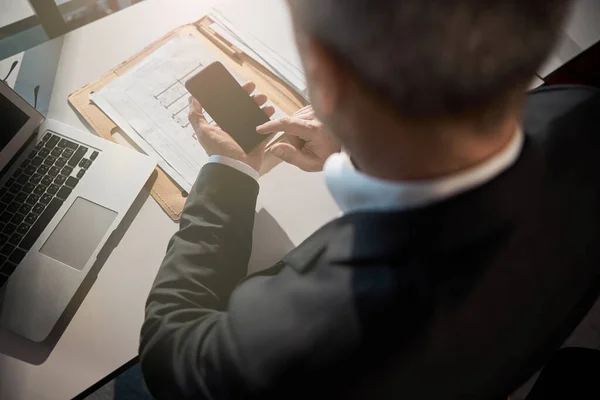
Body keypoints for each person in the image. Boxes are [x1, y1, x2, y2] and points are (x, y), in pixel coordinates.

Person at [139, 0, 600, 398]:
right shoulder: (578, 110)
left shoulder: (313, 328)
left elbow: (170, 349)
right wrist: (361, 148)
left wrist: (228, 172)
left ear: (326, 77)